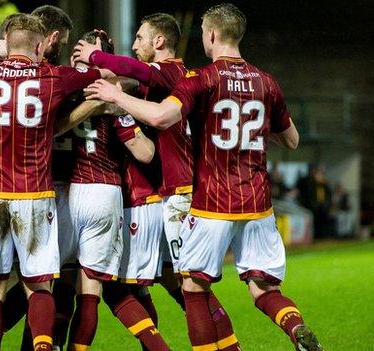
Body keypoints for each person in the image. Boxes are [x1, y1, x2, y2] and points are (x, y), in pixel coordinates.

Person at [84, 3, 323, 351]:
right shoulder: (267, 82)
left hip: (212, 201)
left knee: (194, 289)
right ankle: (297, 328)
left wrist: (116, 95)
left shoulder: (202, 78)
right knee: (263, 288)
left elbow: (162, 117)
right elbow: (293, 139)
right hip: (259, 205)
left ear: (210, 34)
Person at [0, 14, 111, 351]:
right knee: (39, 286)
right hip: (33, 194)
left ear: (7, 42)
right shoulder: (52, 76)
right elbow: (103, 76)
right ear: (40, 46)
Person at [74, 13, 195, 320]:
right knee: (172, 281)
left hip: (144, 197)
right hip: (156, 194)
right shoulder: (160, 79)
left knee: (126, 289)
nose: (134, 44)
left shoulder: (165, 72)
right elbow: (130, 74)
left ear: (159, 41)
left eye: (139, 38)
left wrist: (98, 59)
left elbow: (145, 151)